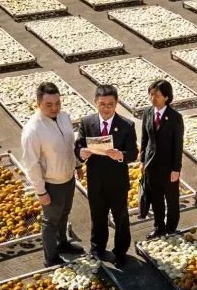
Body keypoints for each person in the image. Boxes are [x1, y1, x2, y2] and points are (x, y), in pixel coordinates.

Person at [21, 82, 83, 267]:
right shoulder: (33, 130)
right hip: (51, 183)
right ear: (38, 103)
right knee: (50, 221)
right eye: (49, 105)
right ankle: (51, 257)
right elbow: (31, 164)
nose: (55, 108)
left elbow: (70, 145)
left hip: (68, 178)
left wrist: (77, 165)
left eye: (57, 103)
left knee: (64, 213)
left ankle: (62, 243)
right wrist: (41, 191)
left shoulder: (64, 117)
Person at [76, 84, 138, 267]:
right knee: (98, 218)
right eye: (102, 104)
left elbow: (133, 153)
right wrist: (81, 153)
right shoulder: (87, 123)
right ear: (95, 102)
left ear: (116, 103)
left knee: (121, 219)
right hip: (96, 182)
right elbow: (78, 146)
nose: (106, 108)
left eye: (110, 104)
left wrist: (121, 155)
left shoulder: (127, 125)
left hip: (117, 183)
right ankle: (97, 249)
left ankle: (120, 252)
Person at [140, 79, 184, 239]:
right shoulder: (147, 113)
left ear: (166, 97)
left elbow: (178, 145)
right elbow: (145, 138)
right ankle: (159, 226)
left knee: (171, 199)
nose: (153, 98)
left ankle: (171, 228)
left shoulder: (175, 117)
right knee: (156, 198)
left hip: (168, 166)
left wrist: (176, 169)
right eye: (151, 94)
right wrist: (142, 160)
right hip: (151, 165)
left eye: (157, 95)